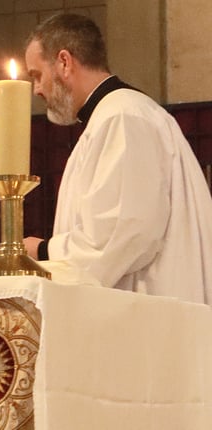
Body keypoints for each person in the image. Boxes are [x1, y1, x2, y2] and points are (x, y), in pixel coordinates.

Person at [22, 13, 212, 304]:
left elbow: (123, 230)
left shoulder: (122, 116)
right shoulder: (112, 116)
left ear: (64, 62)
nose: (36, 89)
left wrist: (43, 252)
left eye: (37, 75)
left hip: (150, 309)